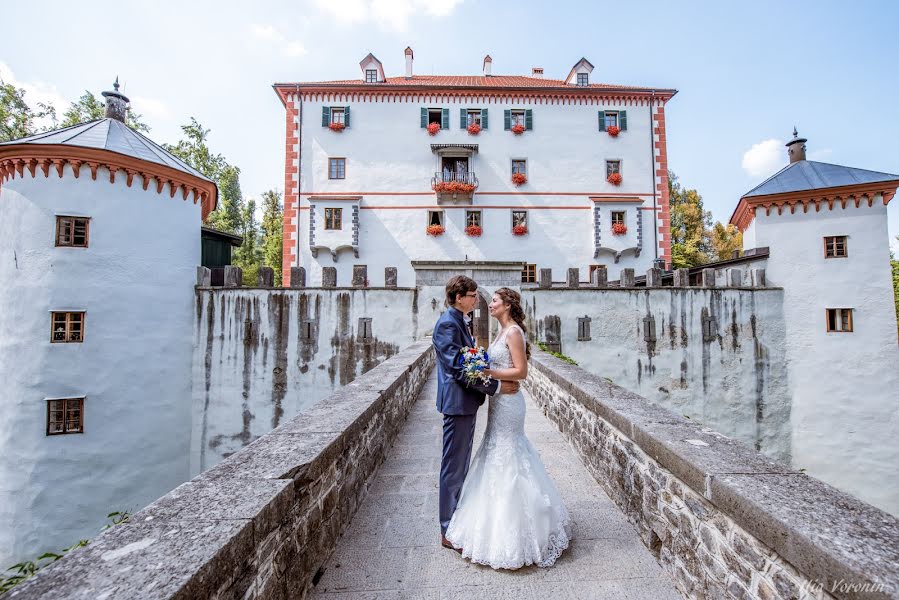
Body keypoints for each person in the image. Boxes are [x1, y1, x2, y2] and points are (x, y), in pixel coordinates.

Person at [444, 287, 571, 569]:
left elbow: (521, 372)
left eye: (496, 301)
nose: (491, 304)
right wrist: (481, 365)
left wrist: (486, 372)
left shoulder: (513, 332)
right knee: (494, 450)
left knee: (510, 453)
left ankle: (522, 530)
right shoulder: (502, 332)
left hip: (511, 404)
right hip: (499, 402)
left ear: (508, 305)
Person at [432, 276, 520, 552]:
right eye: (472, 295)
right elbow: (459, 368)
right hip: (457, 404)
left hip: (465, 403)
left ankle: (456, 520)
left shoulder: (460, 320)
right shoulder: (448, 323)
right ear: (460, 297)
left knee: (460, 463)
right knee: (454, 466)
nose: (476, 299)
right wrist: (495, 386)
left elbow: (470, 360)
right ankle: (447, 528)